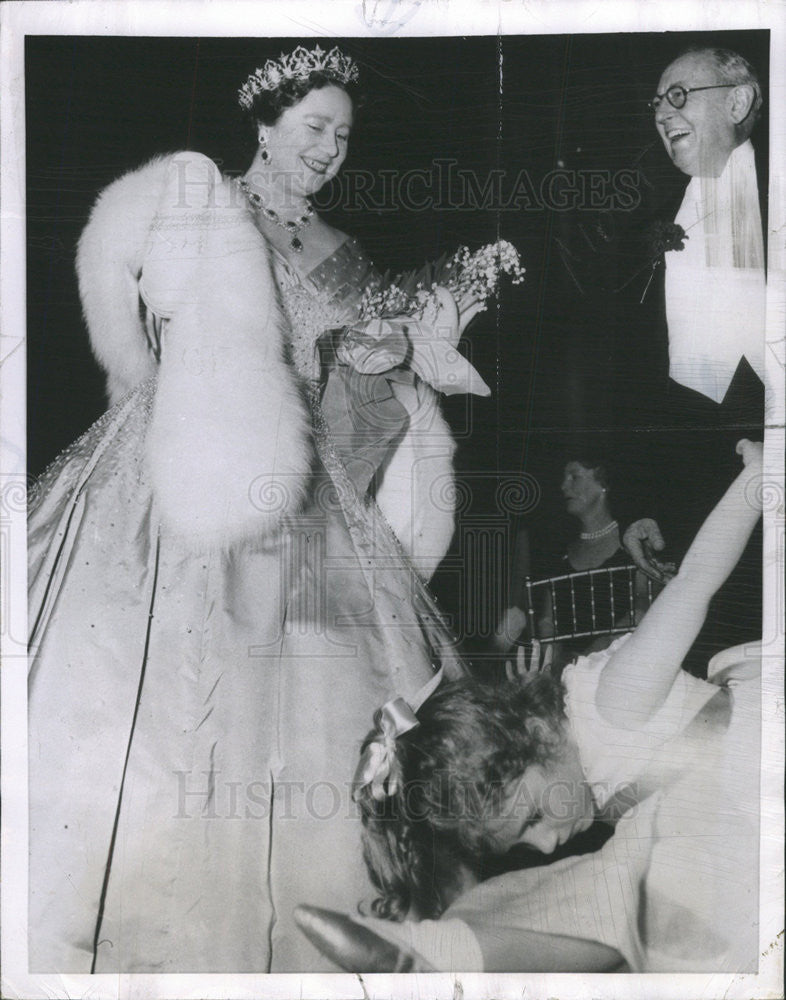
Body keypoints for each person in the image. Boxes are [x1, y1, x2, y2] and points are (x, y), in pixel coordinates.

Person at [27, 45, 501, 973]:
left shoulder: (346, 252)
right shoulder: (200, 206)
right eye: (314, 127)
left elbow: (342, 411)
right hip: (175, 467)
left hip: (304, 494)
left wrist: (390, 358)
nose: (329, 149)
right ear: (265, 122)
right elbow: (157, 343)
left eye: (344, 136)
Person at [296, 439, 763, 972]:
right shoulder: (581, 760)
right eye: (526, 835)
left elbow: (695, 582)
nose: (545, 842)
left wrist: (757, 479)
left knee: (623, 883)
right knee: (572, 885)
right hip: (699, 821)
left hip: (756, 766)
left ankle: (446, 952)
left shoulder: (612, 703)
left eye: (534, 814)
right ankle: (445, 945)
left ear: (536, 737)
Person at [494, 454, 651, 673]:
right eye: (564, 478)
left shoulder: (632, 544)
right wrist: (557, 661)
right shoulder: (561, 554)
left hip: (623, 668)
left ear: (603, 485)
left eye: (574, 477)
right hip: (569, 675)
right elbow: (548, 622)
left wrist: (592, 655)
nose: (563, 486)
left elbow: (644, 606)